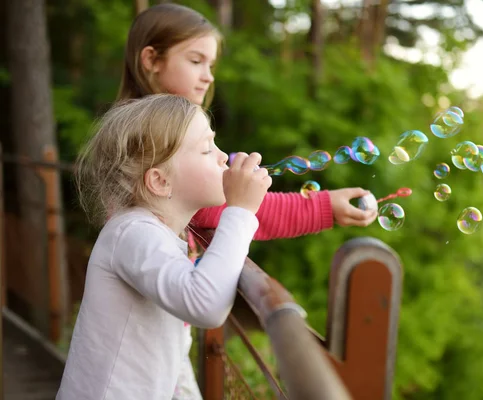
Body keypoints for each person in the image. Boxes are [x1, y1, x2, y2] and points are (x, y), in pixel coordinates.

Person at [116, 4, 379, 399]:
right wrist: (323, 207)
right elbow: (229, 208)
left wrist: (221, 171)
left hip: (162, 317)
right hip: (148, 328)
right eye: (195, 60)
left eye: (211, 63)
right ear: (151, 59)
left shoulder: (138, 126)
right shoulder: (148, 139)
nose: (208, 75)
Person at [56, 94, 271, 399]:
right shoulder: (132, 233)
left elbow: (172, 351)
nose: (225, 157)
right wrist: (240, 211)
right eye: (208, 149)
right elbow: (206, 305)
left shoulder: (154, 234)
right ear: (159, 181)